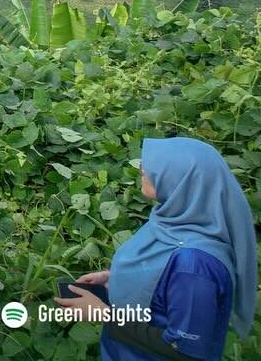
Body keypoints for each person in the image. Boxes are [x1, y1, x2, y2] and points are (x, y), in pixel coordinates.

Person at [54, 137, 256, 361]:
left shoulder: (195, 265)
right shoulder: (171, 222)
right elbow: (163, 280)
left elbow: (185, 350)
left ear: (181, 181)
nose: (142, 169)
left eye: (155, 167)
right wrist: (116, 279)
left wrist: (104, 315)